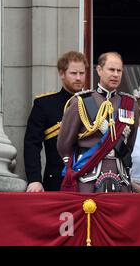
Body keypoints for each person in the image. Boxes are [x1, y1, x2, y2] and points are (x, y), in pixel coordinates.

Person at [57, 52, 139, 193]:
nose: (115, 74)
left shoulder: (130, 104)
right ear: (99, 70)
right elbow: (64, 144)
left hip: (120, 174)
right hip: (89, 174)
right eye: (111, 70)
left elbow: (130, 143)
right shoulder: (82, 102)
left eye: (119, 71)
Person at [24, 51, 88, 192]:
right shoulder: (45, 104)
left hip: (90, 181)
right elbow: (32, 144)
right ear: (61, 74)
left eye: (82, 73)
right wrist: (34, 179)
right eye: (73, 73)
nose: (78, 78)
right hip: (56, 181)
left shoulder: (95, 104)